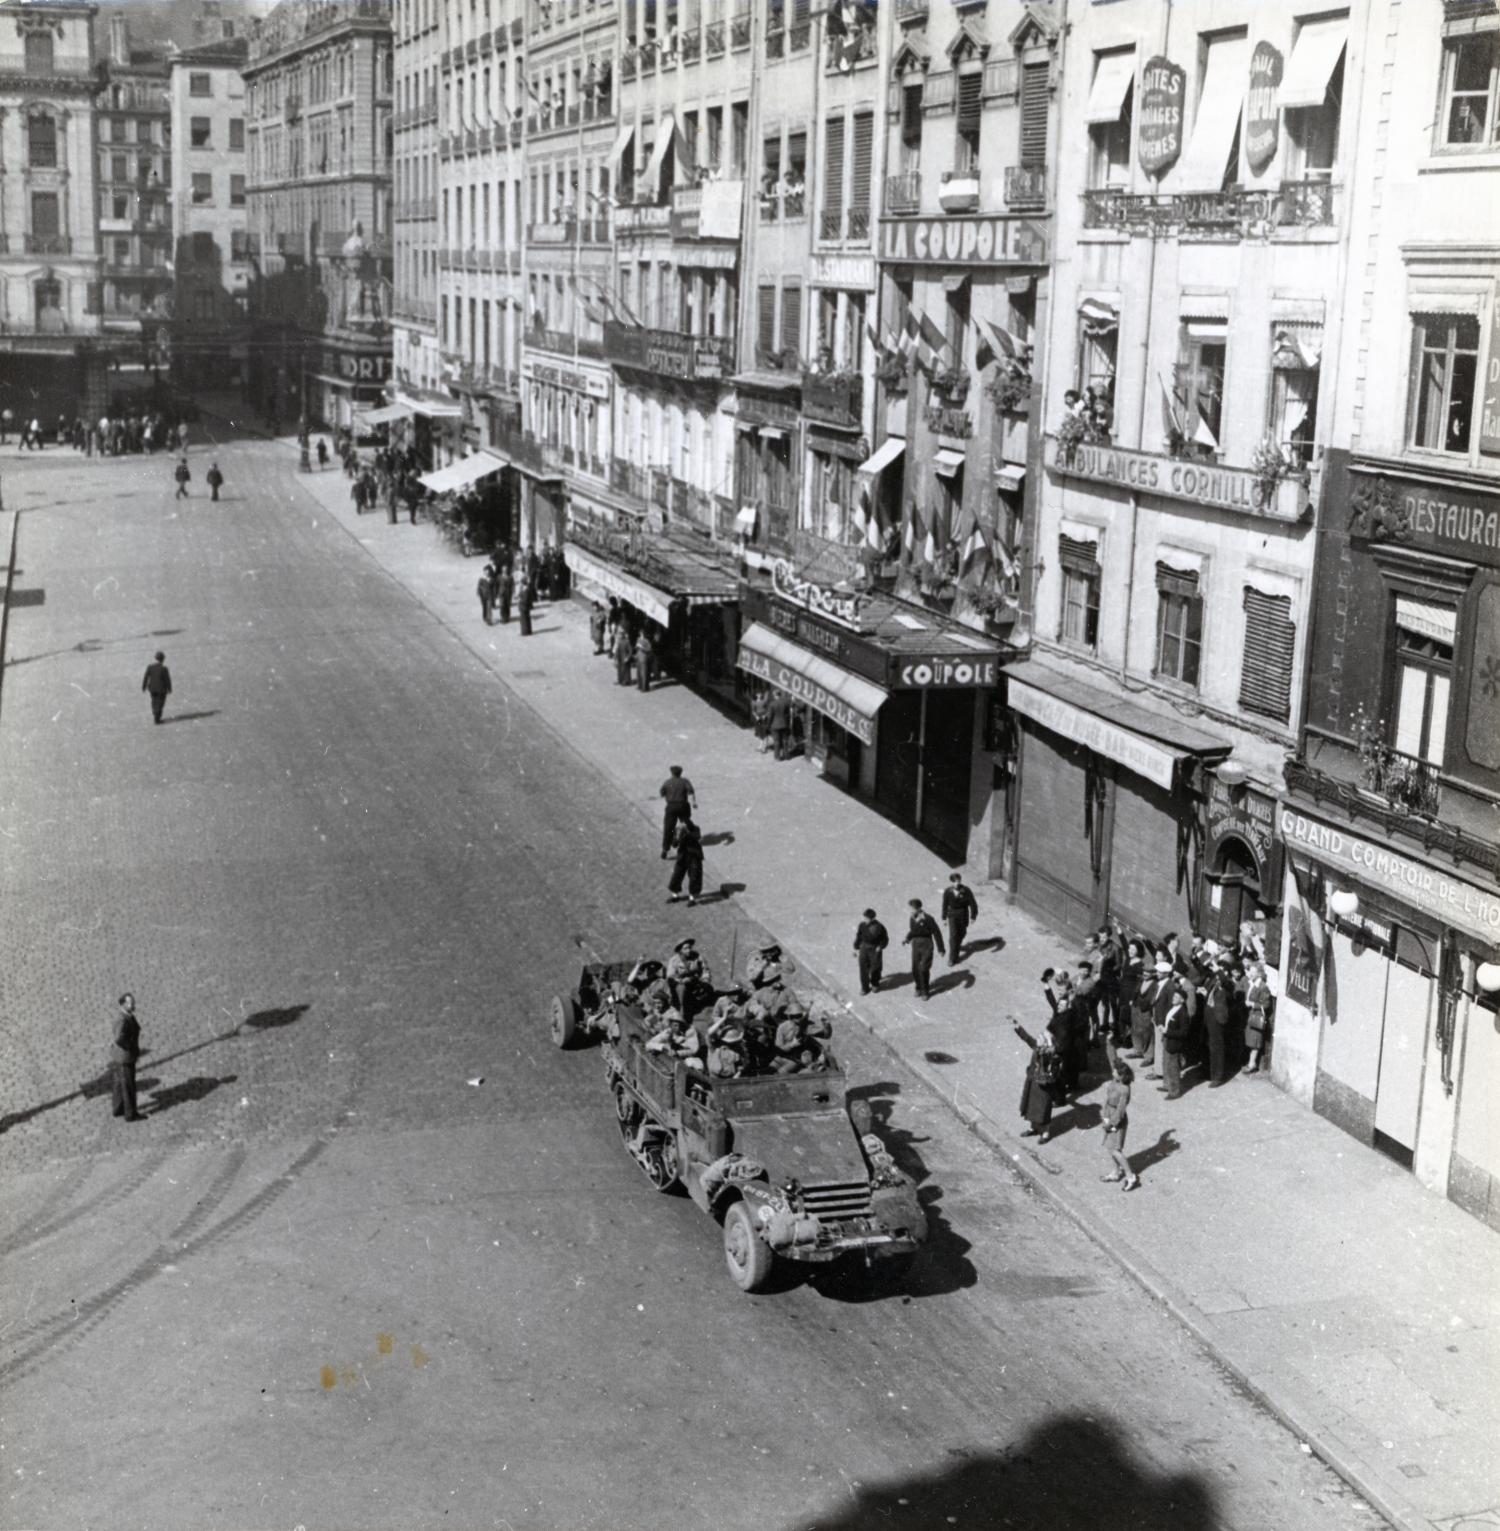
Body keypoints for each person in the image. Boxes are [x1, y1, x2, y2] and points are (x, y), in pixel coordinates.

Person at [1014, 1024, 1062, 1142]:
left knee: (1043, 1108)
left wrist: (1050, 1045)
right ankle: (1033, 1128)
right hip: (1033, 1081)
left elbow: (1056, 1058)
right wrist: (1018, 1027)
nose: (1039, 1037)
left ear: (1047, 1042)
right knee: (1031, 1105)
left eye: (1042, 1037)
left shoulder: (1050, 1053)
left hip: (1044, 1085)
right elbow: (1028, 1038)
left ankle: (1045, 1132)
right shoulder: (1037, 1046)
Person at [1100, 1058, 1139, 1189]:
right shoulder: (1114, 1082)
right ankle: (1116, 1172)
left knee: (1116, 1150)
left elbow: (1120, 1112)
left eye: (1115, 1071)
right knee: (1109, 1147)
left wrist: (1111, 1123)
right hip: (1109, 1115)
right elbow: (1108, 1100)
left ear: (1121, 1075)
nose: (1113, 1072)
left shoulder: (1124, 1090)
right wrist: (1105, 1115)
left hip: (1117, 1122)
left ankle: (1130, 1176)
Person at [902, 898, 945, 1001]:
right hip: (916, 944)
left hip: (927, 944)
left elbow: (936, 932)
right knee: (915, 968)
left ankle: (925, 991)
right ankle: (918, 987)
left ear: (918, 908)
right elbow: (913, 931)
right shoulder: (912, 918)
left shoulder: (928, 918)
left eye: (912, 909)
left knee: (924, 968)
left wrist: (941, 949)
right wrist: (907, 938)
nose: (910, 911)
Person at [110, 993, 143, 1121]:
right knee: (128, 1085)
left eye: (133, 1002)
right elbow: (120, 1039)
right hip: (125, 1057)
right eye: (130, 1003)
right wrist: (131, 1049)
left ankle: (118, 1109)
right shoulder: (122, 1019)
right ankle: (130, 1113)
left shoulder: (126, 1016)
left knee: (119, 1083)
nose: (133, 1005)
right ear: (123, 1004)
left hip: (119, 1056)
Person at [658, 765, 697, 859]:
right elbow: (691, 792)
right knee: (685, 822)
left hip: (671, 807)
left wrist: (669, 795)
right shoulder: (685, 781)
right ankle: (679, 836)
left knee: (668, 828)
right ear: (681, 773)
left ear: (671, 773)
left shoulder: (667, 782)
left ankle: (665, 849)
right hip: (683, 806)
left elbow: (662, 793)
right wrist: (694, 803)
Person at [940, 872, 979, 966]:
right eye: (954, 882)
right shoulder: (948, 892)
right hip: (952, 915)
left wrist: (973, 916)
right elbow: (944, 905)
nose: (957, 883)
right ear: (952, 882)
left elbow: (973, 903)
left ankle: (956, 945)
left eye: (958, 881)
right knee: (953, 936)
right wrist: (944, 918)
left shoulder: (966, 890)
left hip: (963, 914)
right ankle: (952, 958)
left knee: (962, 933)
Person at [1203, 961, 1232, 1086]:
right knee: (1208, 1044)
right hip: (1209, 1015)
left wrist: (1219, 971)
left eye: (1221, 971)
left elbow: (1226, 982)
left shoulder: (1228, 985)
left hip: (1218, 1018)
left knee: (1217, 1047)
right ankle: (1208, 1072)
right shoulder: (1215, 982)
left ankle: (1217, 1077)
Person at [1160, 981, 1190, 1099]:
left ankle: (1174, 1091)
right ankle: (1167, 1085)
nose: (1173, 998)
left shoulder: (1183, 1013)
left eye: (1177, 997)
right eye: (1174, 996)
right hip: (1168, 1040)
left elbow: (1183, 1032)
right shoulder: (1173, 1008)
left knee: (1173, 1067)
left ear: (1182, 1000)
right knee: (1167, 1064)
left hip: (1175, 1043)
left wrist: (1167, 1031)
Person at [666, 816, 704, 906]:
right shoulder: (676, 829)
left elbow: (697, 837)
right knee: (677, 875)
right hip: (682, 856)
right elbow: (674, 844)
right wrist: (674, 838)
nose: (681, 824)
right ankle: (675, 895)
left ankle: (692, 898)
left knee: (694, 876)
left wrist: (685, 834)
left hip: (694, 856)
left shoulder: (695, 829)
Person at [1244, 961, 1273, 1074]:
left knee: (1255, 1040)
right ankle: (1250, 1062)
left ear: (1259, 973)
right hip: (1251, 1015)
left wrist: (1252, 1004)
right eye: (1250, 971)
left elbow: (1266, 1004)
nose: (1250, 973)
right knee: (1251, 1039)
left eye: (1253, 972)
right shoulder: (1252, 983)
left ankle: (1252, 1063)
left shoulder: (1263, 987)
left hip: (1256, 1016)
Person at [853, 908, 889, 995]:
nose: (865, 920)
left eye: (867, 918)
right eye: (864, 918)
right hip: (864, 948)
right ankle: (864, 988)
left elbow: (885, 939)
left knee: (875, 967)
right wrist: (855, 947)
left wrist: (880, 946)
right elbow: (859, 936)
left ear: (872, 919)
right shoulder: (862, 925)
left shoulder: (880, 927)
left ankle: (875, 984)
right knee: (863, 968)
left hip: (875, 949)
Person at [142, 650, 172, 724]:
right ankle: (157, 718)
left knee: (154, 701)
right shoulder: (164, 669)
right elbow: (167, 679)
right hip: (161, 689)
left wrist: (144, 686)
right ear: (162, 659)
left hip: (152, 688)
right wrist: (169, 688)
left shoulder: (150, 667)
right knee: (160, 703)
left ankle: (155, 713)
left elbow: (146, 677)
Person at [769, 691, 791, 760]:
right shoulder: (785, 703)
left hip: (775, 725)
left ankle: (777, 757)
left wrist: (768, 724)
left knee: (777, 741)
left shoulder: (772, 704)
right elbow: (788, 714)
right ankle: (786, 756)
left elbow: (770, 716)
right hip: (784, 724)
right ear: (780, 695)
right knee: (785, 740)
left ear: (775, 695)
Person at [634, 628, 654, 692]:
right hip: (638, 657)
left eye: (642, 634)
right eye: (640, 633)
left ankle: (644, 687)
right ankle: (639, 685)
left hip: (644, 658)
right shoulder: (638, 639)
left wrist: (642, 648)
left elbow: (649, 649)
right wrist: (636, 647)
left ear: (644, 634)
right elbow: (636, 648)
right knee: (639, 673)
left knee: (644, 673)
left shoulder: (646, 641)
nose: (641, 635)